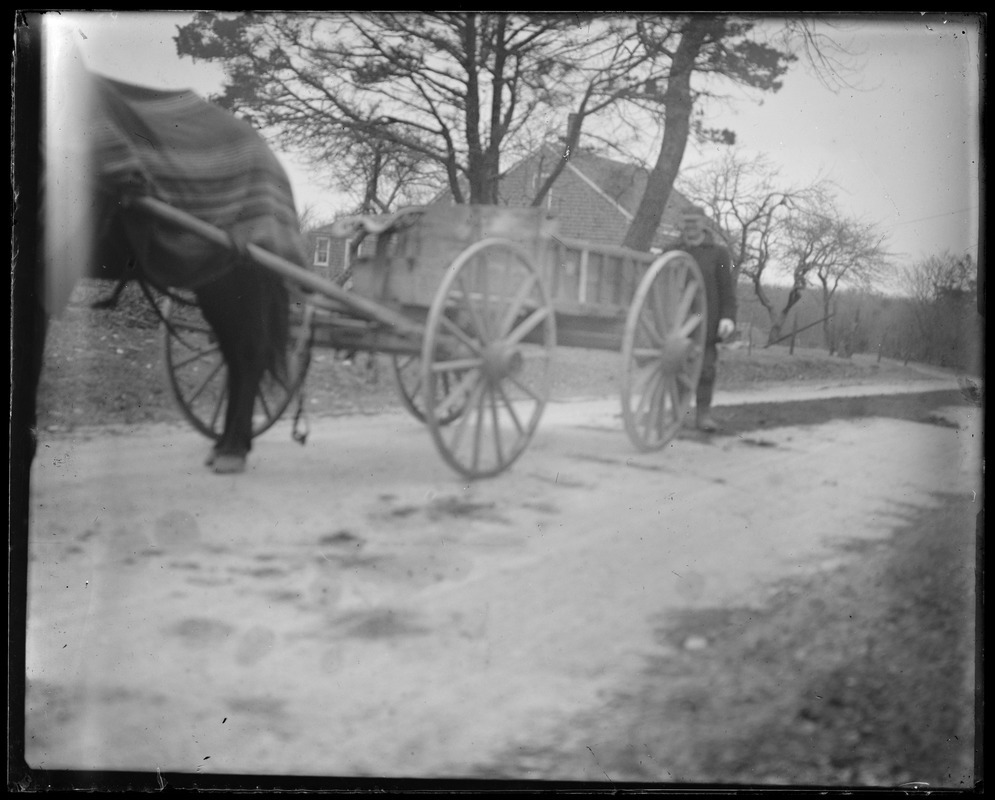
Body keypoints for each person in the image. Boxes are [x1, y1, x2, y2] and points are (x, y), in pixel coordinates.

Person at [672, 205, 737, 433]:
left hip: (707, 321)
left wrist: (728, 317)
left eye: (695, 222)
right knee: (675, 366)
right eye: (686, 222)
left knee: (706, 369)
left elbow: (727, 289)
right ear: (681, 224)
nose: (690, 227)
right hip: (675, 322)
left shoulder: (719, 254)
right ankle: (676, 415)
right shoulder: (671, 250)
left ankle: (703, 415)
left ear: (704, 224)